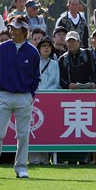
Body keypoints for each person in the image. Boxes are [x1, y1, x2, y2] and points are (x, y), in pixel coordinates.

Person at [0, 16, 40, 179]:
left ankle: (21, 167)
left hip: (24, 98)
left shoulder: (32, 51)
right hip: (5, 95)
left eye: (15, 29)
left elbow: (36, 76)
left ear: (24, 31)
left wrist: (31, 95)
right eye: (10, 28)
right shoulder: (3, 47)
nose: (11, 31)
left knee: (23, 135)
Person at [29, 36, 59, 165]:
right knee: (34, 127)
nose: (46, 48)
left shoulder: (54, 64)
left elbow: (56, 82)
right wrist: (39, 91)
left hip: (49, 100)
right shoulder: (33, 62)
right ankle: (33, 158)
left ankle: (46, 158)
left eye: (48, 46)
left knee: (47, 128)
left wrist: (47, 92)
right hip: (35, 100)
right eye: (43, 46)